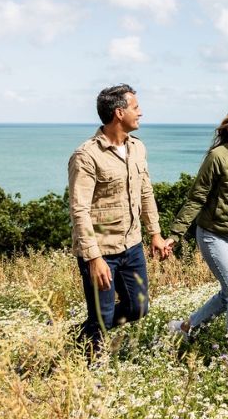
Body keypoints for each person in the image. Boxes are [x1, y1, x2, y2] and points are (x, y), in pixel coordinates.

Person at [68, 84, 173, 355]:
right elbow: (79, 210)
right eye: (136, 108)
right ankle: (90, 368)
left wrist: (155, 234)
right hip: (101, 251)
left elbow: (146, 191)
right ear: (119, 112)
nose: (141, 113)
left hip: (133, 245)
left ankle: (80, 333)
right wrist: (93, 258)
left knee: (139, 308)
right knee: (102, 317)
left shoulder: (138, 148)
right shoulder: (86, 155)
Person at [166, 107, 228, 351]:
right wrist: (175, 233)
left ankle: (186, 327)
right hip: (213, 235)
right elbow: (197, 197)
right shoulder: (218, 156)